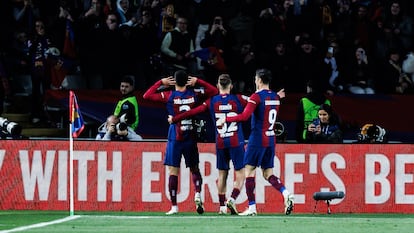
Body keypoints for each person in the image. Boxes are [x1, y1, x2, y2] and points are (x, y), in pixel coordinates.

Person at [218, 68, 294, 216]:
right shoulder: (275, 97)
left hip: (257, 138)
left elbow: (244, 116)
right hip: (271, 138)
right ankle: (286, 194)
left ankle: (252, 207)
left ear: (259, 80)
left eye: (255, 79)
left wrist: (226, 118)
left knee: (249, 171)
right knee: (268, 174)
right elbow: (270, 102)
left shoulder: (257, 96)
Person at [168, 74, 248, 215]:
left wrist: (175, 118)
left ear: (218, 86)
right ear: (231, 86)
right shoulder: (239, 99)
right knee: (241, 173)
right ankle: (233, 198)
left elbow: (193, 112)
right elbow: (255, 103)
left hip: (221, 141)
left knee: (222, 174)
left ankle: (222, 206)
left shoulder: (211, 101)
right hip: (236, 141)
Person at [143, 70, 218, 215]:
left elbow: (147, 95)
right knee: (194, 168)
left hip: (175, 137)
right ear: (187, 81)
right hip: (190, 136)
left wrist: (161, 82)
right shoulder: (194, 94)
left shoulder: (169, 95)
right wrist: (198, 81)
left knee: (173, 171)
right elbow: (214, 91)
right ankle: (197, 193)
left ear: (174, 82)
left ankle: (174, 206)